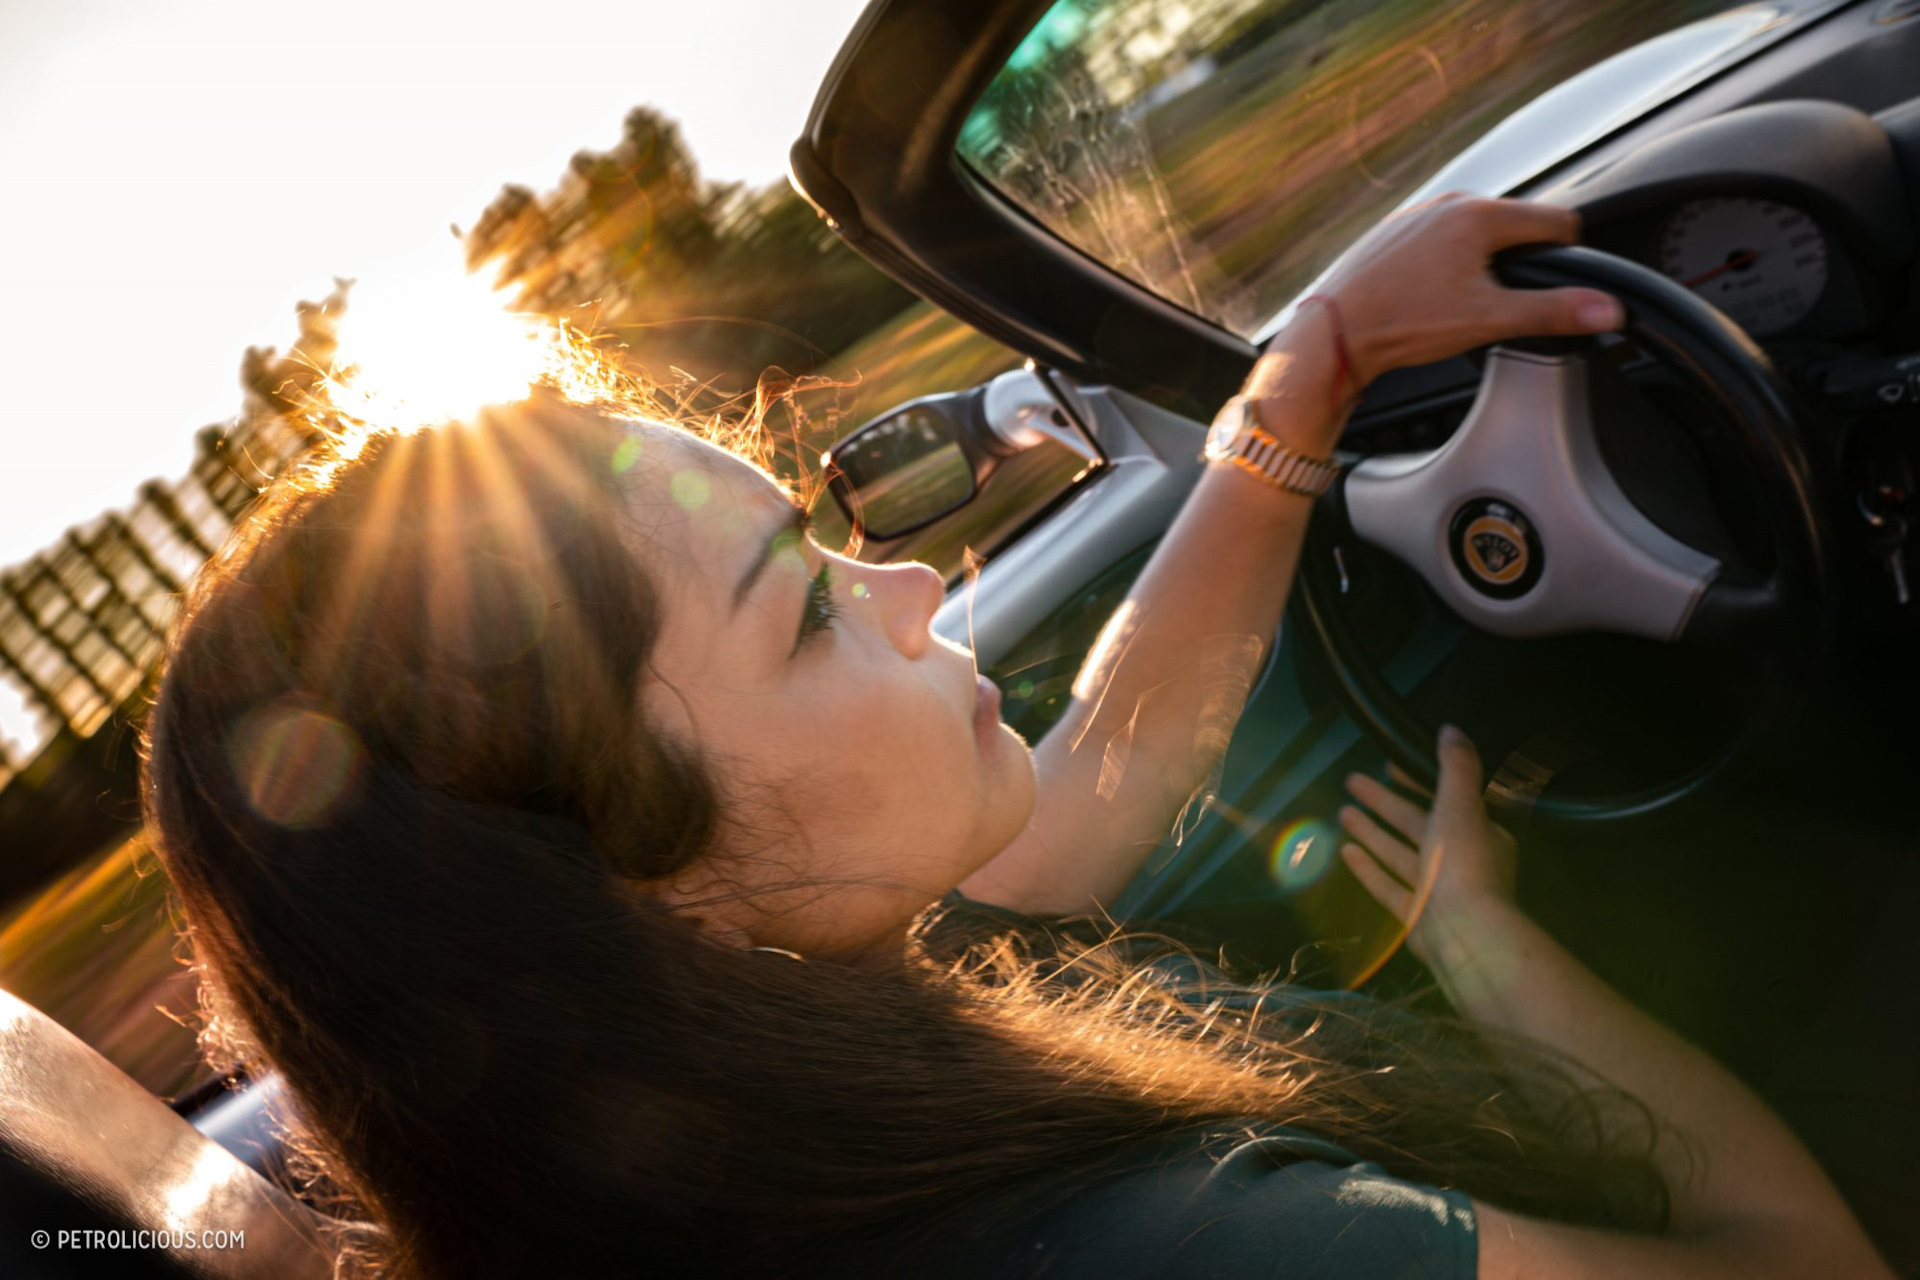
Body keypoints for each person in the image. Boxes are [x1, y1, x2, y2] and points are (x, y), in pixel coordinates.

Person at [142, 195, 1893, 1278]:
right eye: (807, 607)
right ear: (635, 894)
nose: (900, 588)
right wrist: (1504, 964)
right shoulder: (1190, 1250)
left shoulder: (770, 1047)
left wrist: (1316, 368)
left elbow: (1105, 776)